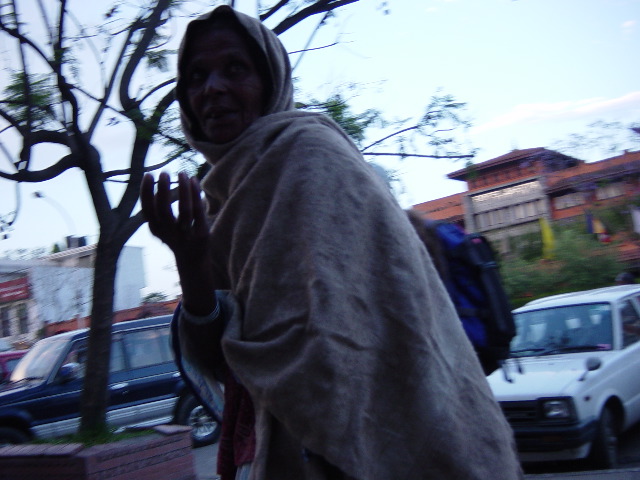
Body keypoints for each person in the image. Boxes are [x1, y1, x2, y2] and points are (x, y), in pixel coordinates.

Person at [140, 5, 523, 480]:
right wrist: (190, 260)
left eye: (234, 69)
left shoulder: (312, 157)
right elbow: (223, 363)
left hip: (370, 444)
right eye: (196, 76)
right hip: (287, 447)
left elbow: (345, 339)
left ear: (270, 81)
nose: (212, 88)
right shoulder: (219, 201)